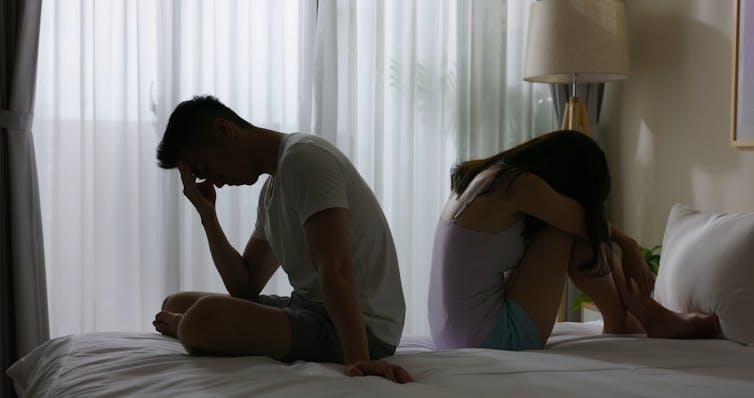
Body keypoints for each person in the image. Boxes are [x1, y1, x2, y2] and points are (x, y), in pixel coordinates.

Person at [152, 95, 412, 383]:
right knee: (174, 303)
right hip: (310, 308)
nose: (213, 181)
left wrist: (359, 359)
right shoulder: (272, 190)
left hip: (361, 329)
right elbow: (245, 285)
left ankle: (186, 327)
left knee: (201, 318)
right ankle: (185, 324)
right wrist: (208, 216)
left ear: (224, 130)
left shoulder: (304, 158)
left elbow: (336, 266)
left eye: (204, 167)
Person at [428, 130, 719, 351]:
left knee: (571, 225)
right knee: (566, 229)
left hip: (449, 335)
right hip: (489, 338)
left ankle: (639, 317)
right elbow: (587, 223)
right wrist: (628, 245)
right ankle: (638, 317)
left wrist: (626, 243)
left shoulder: (484, 178)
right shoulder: (519, 185)